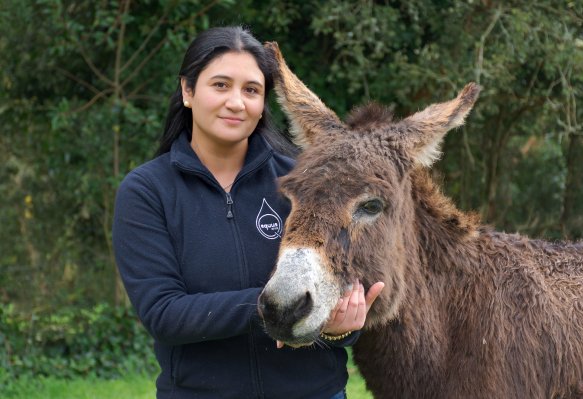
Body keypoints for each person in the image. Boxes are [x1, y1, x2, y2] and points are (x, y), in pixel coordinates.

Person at [112, 26, 384, 399]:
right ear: (188, 91)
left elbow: (344, 285)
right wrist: (272, 308)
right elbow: (163, 313)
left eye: (251, 90)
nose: (237, 103)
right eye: (221, 85)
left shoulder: (302, 183)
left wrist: (342, 326)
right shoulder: (147, 192)